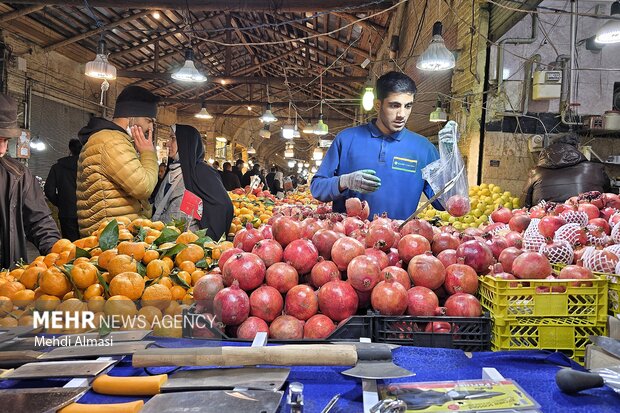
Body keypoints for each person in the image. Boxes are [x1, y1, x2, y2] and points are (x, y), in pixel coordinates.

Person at [310, 71, 443, 220]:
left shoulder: (424, 149)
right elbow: (317, 188)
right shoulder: (347, 139)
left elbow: (443, 203)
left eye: (408, 106)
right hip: (350, 239)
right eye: (394, 105)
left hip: (400, 241)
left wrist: (452, 160)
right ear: (377, 105)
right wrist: (343, 181)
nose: (402, 114)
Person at [76, 86, 159, 236]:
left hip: (115, 234)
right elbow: (143, 187)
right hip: (114, 239)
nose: (150, 127)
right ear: (131, 116)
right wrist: (148, 154)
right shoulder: (112, 142)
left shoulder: (111, 139)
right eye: (148, 120)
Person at [0, 94, 60, 268]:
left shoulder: (18, 176)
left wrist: (56, 254)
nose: (2, 149)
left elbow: (39, 221)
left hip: (7, 280)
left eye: (5, 140)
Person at [153, 124, 233, 240]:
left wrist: (207, 238)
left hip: (188, 245)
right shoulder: (172, 171)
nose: (168, 143)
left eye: (173, 138)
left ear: (185, 142)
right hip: (162, 240)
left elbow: (224, 206)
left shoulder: (202, 172)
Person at [521, 133, 611, 207]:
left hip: (545, 221)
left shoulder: (535, 172)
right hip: (588, 221)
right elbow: (609, 199)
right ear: (577, 147)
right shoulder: (596, 169)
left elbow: (524, 205)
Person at [44, 138, 82, 241]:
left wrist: (61, 202)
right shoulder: (88, 166)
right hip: (87, 212)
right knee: (90, 245)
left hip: (67, 212)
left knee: (70, 246)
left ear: (70, 149)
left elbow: (48, 190)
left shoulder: (57, 167)